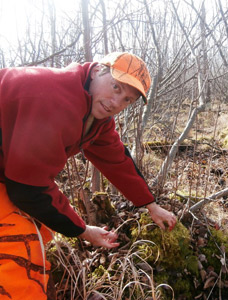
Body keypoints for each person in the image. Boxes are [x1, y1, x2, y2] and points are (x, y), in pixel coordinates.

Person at [0, 52, 177, 299]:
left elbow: (116, 159)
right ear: (96, 71)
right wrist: (82, 230)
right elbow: (29, 189)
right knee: (19, 255)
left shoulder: (94, 113)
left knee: (36, 231)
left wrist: (150, 205)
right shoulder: (54, 97)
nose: (117, 102)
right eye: (116, 87)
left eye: (127, 99)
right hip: (15, 180)